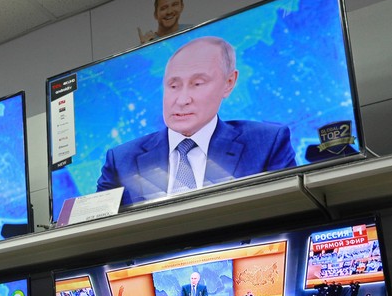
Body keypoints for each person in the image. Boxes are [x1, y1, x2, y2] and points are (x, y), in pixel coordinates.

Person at [96, 36, 296, 206]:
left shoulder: (266, 143)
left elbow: (287, 212)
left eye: (197, 84)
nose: (182, 100)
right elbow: (99, 235)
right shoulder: (121, 160)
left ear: (229, 83)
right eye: (173, 86)